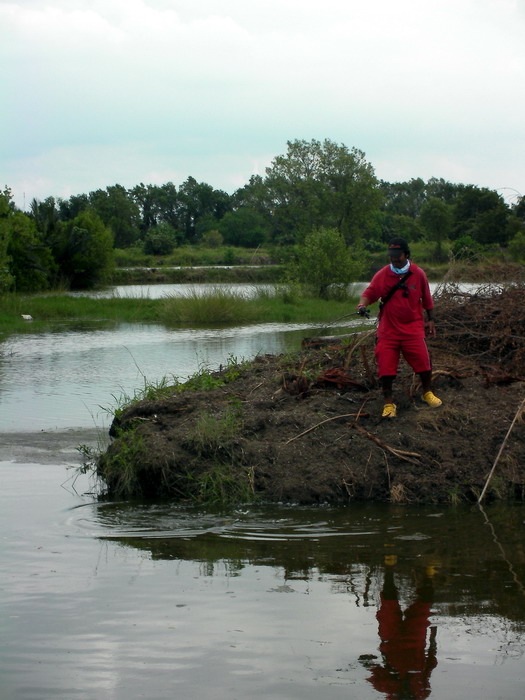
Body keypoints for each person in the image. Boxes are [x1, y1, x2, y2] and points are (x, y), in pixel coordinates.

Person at [357, 237, 442, 419]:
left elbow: (427, 299)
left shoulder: (418, 274)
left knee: (423, 363)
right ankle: (388, 403)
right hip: (388, 330)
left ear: (407, 254)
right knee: (386, 368)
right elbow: (368, 294)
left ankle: (427, 392)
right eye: (392, 256)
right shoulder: (382, 275)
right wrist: (361, 306)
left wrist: (431, 320)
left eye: (398, 256)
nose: (395, 259)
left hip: (413, 328)